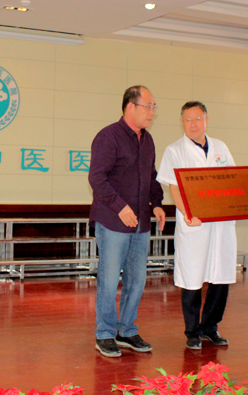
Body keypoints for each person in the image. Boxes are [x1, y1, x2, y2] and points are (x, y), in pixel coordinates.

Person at [156, 101, 248, 350]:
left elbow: (234, 181)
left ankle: (210, 328)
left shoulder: (220, 147)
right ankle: (192, 331)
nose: (193, 124)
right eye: (188, 119)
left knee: (220, 276)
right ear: (182, 122)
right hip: (195, 225)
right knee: (192, 277)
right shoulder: (175, 150)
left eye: (198, 119)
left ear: (206, 120)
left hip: (221, 225)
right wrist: (187, 213)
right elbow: (174, 188)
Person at [88, 85, 166, 358]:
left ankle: (127, 330)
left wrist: (157, 203)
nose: (152, 112)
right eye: (148, 106)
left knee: (137, 280)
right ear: (130, 107)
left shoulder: (148, 140)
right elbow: (97, 178)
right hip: (113, 222)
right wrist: (119, 207)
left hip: (141, 223)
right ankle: (105, 333)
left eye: (154, 107)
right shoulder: (108, 136)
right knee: (109, 281)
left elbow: (151, 176)